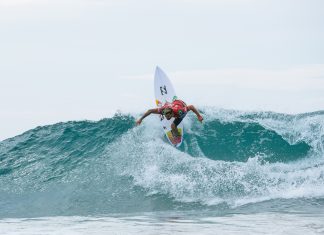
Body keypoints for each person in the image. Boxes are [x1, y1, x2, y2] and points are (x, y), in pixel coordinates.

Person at [136, 99, 203, 137]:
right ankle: (168, 103)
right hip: (173, 103)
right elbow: (150, 111)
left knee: (173, 126)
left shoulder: (179, 111)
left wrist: (198, 116)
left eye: (168, 116)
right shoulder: (163, 110)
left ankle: (177, 135)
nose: (167, 118)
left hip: (181, 104)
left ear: (172, 113)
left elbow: (191, 107)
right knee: (164, 106)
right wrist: (140, 119)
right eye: (165, 115)